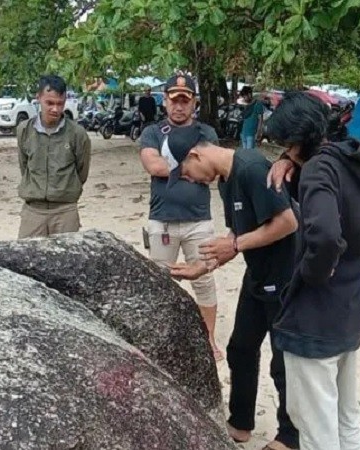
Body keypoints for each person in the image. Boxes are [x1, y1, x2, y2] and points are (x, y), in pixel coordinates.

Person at [166, 127, 301, 450]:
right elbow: (236, 233)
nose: (191, 180)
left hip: (285, 276)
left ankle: (290, 436)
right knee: (240, 348)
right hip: (257, 274)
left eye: (186, 173)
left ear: (195, 154)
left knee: (283, 361)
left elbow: (287, 222)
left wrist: (236, 245)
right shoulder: (226, 181)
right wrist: (204, 266)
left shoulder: (252, 168)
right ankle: (241, 422)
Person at [265, 92, 360, 450]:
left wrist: (312, 275)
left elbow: (327, 235)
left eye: (286, 144)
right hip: (350, 307)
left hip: (314, 318)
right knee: (347, 419)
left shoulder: (319, 168)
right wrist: (290, 159)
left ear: (298, 138)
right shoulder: (352, 159)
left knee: (316, 430)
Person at [138, 74, 223, 359]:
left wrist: (175, 168)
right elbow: (153, 165)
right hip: (162, 219)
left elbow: (210, 170)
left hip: (198, 219)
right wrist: (190, 168)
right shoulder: (152, 132)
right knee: (161, 283)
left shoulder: (206, 133)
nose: (179, 106)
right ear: (165, 101)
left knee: (204, 279)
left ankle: (208, 340)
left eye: (185, 100)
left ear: (194, 102)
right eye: (174, 100)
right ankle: (162, 341)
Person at [17, 75, 91, 238]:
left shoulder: (77, 134)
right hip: (33, 211)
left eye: (60, 104)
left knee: (68, 254)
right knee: (27, 254)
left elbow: (82, 171)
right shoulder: (24, 130)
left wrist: (64, 190)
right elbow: (24, 166)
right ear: (38, 98)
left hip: (65, 211)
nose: (55, 109)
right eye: (49, 103)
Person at [239, 86, 265, 151]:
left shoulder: (258, 104)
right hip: (243, 133)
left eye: (245, 96)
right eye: (243, 97)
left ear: (249, 94)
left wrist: (258, 132)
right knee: (244, 154)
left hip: (251, 134)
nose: (244, 98)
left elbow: (260, 119)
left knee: (249, 154)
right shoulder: (246, 104)